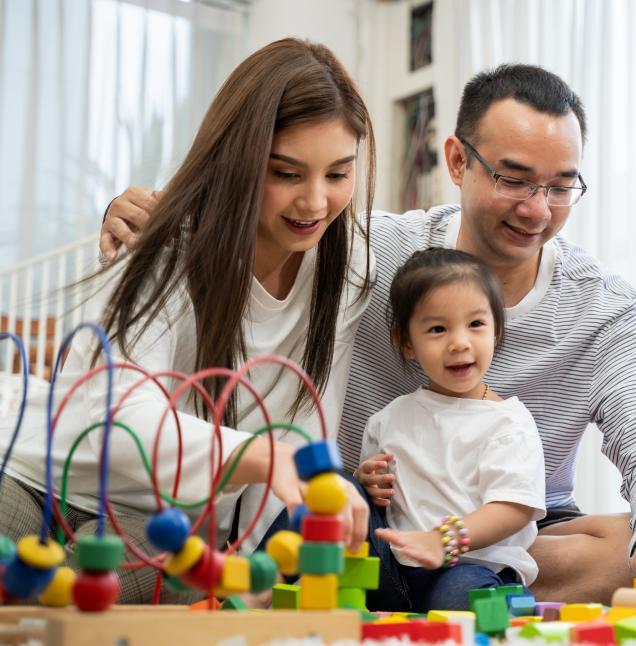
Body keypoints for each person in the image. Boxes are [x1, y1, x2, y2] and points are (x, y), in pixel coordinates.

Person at [100, 64, 636, 604]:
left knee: (628, 543)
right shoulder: (373, 251)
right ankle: (422, 585)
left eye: (560, 187)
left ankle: (434, 585)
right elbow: (271, 224)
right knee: (316, 518)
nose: (536, 208)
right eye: (514, 178)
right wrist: (159, 217)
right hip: (368, 513)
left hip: (509, 527)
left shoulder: (603, 307)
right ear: (456, 160)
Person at [0, 38, 372, 603]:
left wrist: (251, 576)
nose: (315, 202)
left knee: (80, 605)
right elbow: (116, 424)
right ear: (240, 160)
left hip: (162, 531)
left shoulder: (347, 268)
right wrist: (263, 456)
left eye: (338, 174)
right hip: (37, 475)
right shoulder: (162, 242)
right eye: (286, 173)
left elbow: (306, 428)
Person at [353, 247, 545, 612]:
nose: (459, 342)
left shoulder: (507, 422)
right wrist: (366, 481)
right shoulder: (389, 417)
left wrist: (443, 541)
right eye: (438, 329)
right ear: (406, 342)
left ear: (496, 330)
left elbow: (514, 506)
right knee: (334, 487)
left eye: (475, 324)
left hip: (467, 567)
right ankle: (258, 583)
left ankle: (508, 604)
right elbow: (373, 503)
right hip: (392, 567)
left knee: (461, 599)